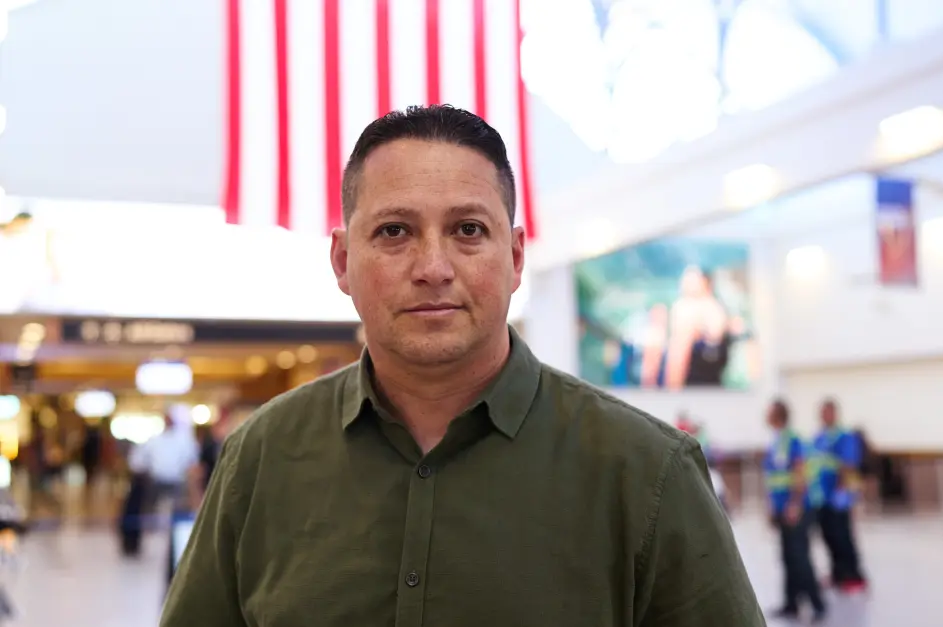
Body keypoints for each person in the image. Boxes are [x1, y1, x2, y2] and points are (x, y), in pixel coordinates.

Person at [161, 105, 763, 627]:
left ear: (516, 256)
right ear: (343, 261)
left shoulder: (646, 472)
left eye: (468, 230)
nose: (433, 266)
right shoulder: (261, 458)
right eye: (395, 231)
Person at [764, 399, 826, 623]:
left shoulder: (793, 440)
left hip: (797, 508)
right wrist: (772, 508)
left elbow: (799, 473)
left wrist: (794, 504)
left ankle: (818, 605)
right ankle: (791, 603)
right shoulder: (775, 441)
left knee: (800, 557)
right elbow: (774, 479)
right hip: (782, 509)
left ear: (778, 414)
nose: (765, 415)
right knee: (787, 556)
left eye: (769, 411)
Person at [812, 399, 868, 592]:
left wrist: (841, 490)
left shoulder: (844, 437)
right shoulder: (819, 438)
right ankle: (837, 573)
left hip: (838, 496)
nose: (824, 416)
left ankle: (854, 575)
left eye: (827, 412)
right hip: (822, 497)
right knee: (829, 537)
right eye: (822, 412)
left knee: (843, 536)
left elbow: (848, 465)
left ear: (835, 413)